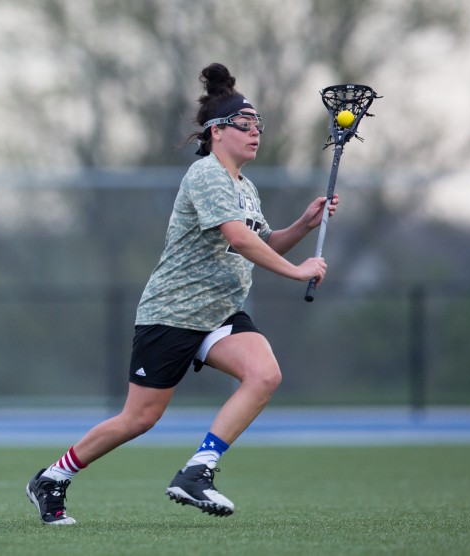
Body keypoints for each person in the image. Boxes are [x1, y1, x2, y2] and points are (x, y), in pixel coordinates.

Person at [25, 63, 338, 524]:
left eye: (259, 126)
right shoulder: (207, 175)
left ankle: (198, 470)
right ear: (216, 132)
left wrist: (303, 226)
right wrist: (297, 271)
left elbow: (262, 241)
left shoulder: (244, 187)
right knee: (139, 419)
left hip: (220, 314)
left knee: (264, 374)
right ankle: (53, 477)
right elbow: (238, 239)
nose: (255, 134)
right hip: (172, 312)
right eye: (244, 125)